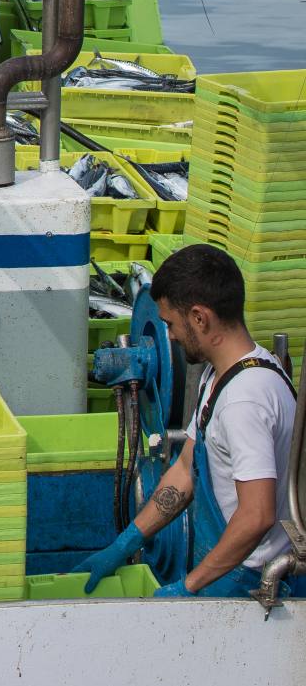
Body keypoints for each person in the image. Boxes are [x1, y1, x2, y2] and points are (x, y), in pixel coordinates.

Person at [78, 244, 298, 599]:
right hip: (227, 570)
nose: (171, 337)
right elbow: (184, 469)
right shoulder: (222, 375)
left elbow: (257, 515)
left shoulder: (245, 400)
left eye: (171, 324)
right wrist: (127, 541)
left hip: (249, 585)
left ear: (200, 317)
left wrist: (188, 587)